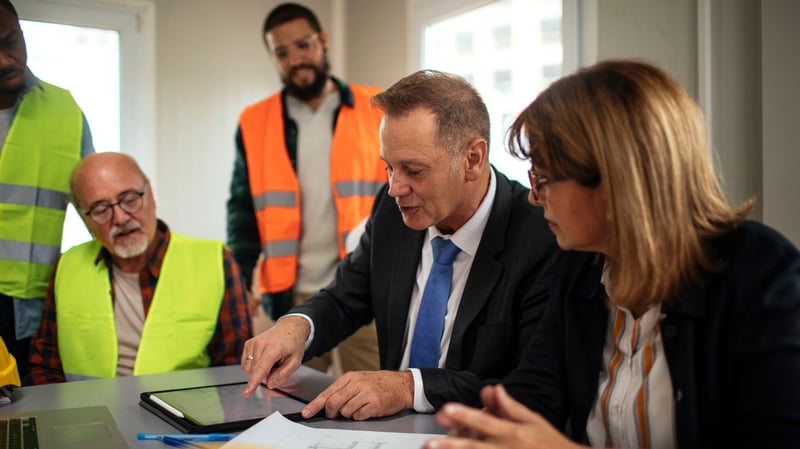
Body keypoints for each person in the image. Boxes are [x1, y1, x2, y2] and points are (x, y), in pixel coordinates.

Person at [424, 60, 800, 449]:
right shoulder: (578, 269)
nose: (534, 198)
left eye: (545, 178)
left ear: (616, 177)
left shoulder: (761, 276)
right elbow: (533, 394)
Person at [241, 69, 560, 421]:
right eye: (389, 167)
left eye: (414, 170)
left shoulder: (541, 238)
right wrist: (298, 325)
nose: (395, 187)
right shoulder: (393, 211)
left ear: (472, 159)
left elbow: (532, 389)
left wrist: (408, 387)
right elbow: (344, 298)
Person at [227, 2, 386, 375]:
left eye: (303, 45)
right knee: (290, 401)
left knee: (376, 398)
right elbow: (242, 211)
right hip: (292, 296)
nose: (295, 59)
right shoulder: (255, 121)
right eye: (282, 53)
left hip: (364, 289)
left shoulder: (375, 107)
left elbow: (399, 195)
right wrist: (239, 283)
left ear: (323, 41)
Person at [26, 152, 252, 384]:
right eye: (101, 210)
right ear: (86, 221)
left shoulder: (216, 261)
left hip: (182, 416)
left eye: (130, 199)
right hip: (85, 414)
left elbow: (234, 371)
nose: (121, 218)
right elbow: (45, 365)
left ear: (151, 195)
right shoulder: (67, 266)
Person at [0, 0, 95, 381]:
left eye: (11, 41)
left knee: (28, 417)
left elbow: (97, 203)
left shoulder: (64, 108)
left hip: (33, 306)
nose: (6, 60)